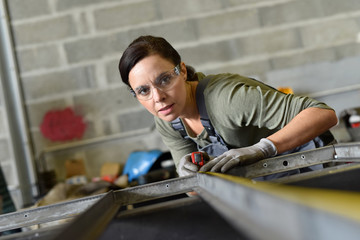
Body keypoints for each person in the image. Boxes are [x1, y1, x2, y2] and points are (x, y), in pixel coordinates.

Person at [118, 35, 338, 179]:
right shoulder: (168, 120)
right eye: (143, 90)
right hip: (272, 183)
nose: (158, 97)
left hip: (316, 169)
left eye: (164, 79)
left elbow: (323, 114)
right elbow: (195, 191)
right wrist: (189, 174)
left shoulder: (226, 99)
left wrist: (262, 148)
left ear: (182, 71)